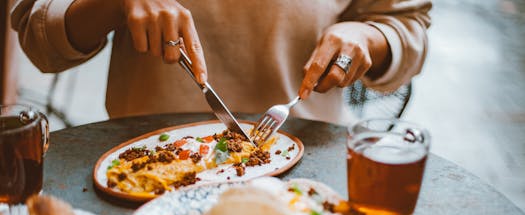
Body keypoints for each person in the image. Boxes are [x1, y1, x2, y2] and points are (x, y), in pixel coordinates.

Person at [11, 0, 431, 125]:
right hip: (143, 175)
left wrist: (368, 37)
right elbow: (36, 33)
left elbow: (406, 25)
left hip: (306, 173)